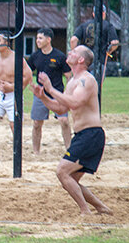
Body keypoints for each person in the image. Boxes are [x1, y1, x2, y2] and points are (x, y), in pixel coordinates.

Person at [32, 45, 112, 216]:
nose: (69, 53)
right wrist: (43, 96)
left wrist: (51, 89)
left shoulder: (87, 80)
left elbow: (75, 103)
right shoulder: (72, 82)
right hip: (83, 135)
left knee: (62, 172)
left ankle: (85, 211)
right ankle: (101, 208)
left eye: (74, 52)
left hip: (91, 134)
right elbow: (61, 108)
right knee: (71, 179)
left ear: (81, 60)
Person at [0, 32, 33, 160]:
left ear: (7, 43)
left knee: (14, 126)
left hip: (13, 95)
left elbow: (28, 76)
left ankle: (17, 154)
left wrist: (14, 87)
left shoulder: (17, 58)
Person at [28, 27, 72, 154]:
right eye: (37, 38)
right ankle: (36, 152)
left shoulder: (59, 56)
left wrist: (67, 93)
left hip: (57, 94)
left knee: (64, 121)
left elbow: (68, 76)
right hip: (41, 94)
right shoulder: (35, 56)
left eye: (40, 38)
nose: (37, 41)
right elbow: (27, 72)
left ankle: (69, 150)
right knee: (37, 123)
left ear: (49, 39)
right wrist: (32, 85)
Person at [70, 5, 119, 72]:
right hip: (100, 61)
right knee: (96, 82)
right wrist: (109, 51)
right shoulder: (108, 26)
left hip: (85, 61)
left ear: (93, 14)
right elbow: (114, 43)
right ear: (104, 13)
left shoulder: (84, 25)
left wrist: (75, 53)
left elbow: (73, 40)